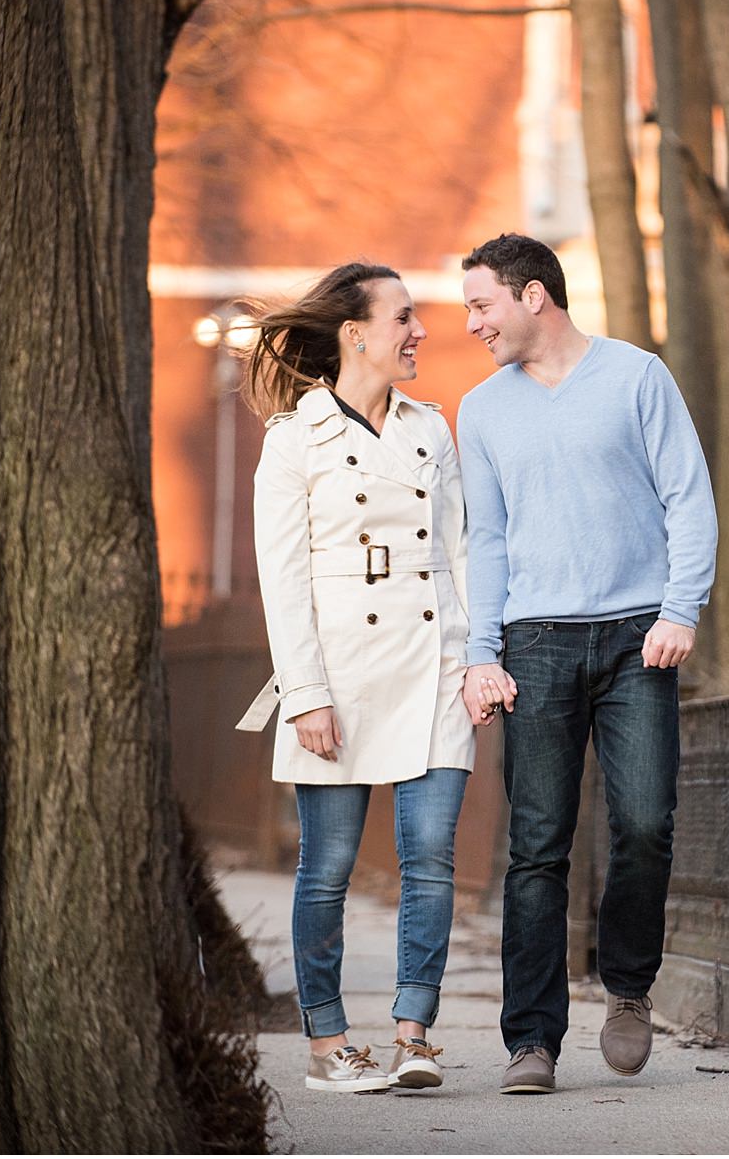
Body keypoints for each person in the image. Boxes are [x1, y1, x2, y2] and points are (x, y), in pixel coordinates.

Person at [456, 233, 716, 1096]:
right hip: (535, 640)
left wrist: (681, 606)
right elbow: (484, 541)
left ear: (534, 296)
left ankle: (629, 988)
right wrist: (481, 652)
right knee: (537, 845)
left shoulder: (637, 377)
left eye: (482, 304)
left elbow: (687, 494)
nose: (471, 323)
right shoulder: (483, 409)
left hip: (638, 635)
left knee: (644, 823)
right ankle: (531, 1039)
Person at [234, 261, 475, 1095]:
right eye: (404, 317)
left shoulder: (430, 430)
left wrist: (477, 661)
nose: (418, 333)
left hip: (433, 669)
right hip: (335, 679)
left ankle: (414, 1032)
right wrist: (303, 693)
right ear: (355, 331)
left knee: (433, 856)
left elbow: (459, 554)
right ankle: (328, 1043)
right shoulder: (293, 441)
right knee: (328, 867)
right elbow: (282, 576)